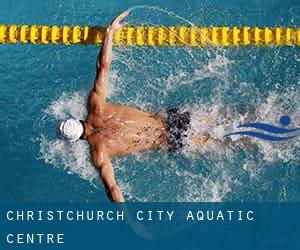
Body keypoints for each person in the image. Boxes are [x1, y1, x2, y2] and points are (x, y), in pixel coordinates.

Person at [58, 11, 210, 202]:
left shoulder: (99, 152)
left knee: (227, 141)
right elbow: (103, 66)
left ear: (76, 140)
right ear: (76, 119)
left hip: (171, 140)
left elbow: (112, 189)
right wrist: (109, 33)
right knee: (226, 118)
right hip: (172, 118)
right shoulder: (95, 105)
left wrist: (129, 221)